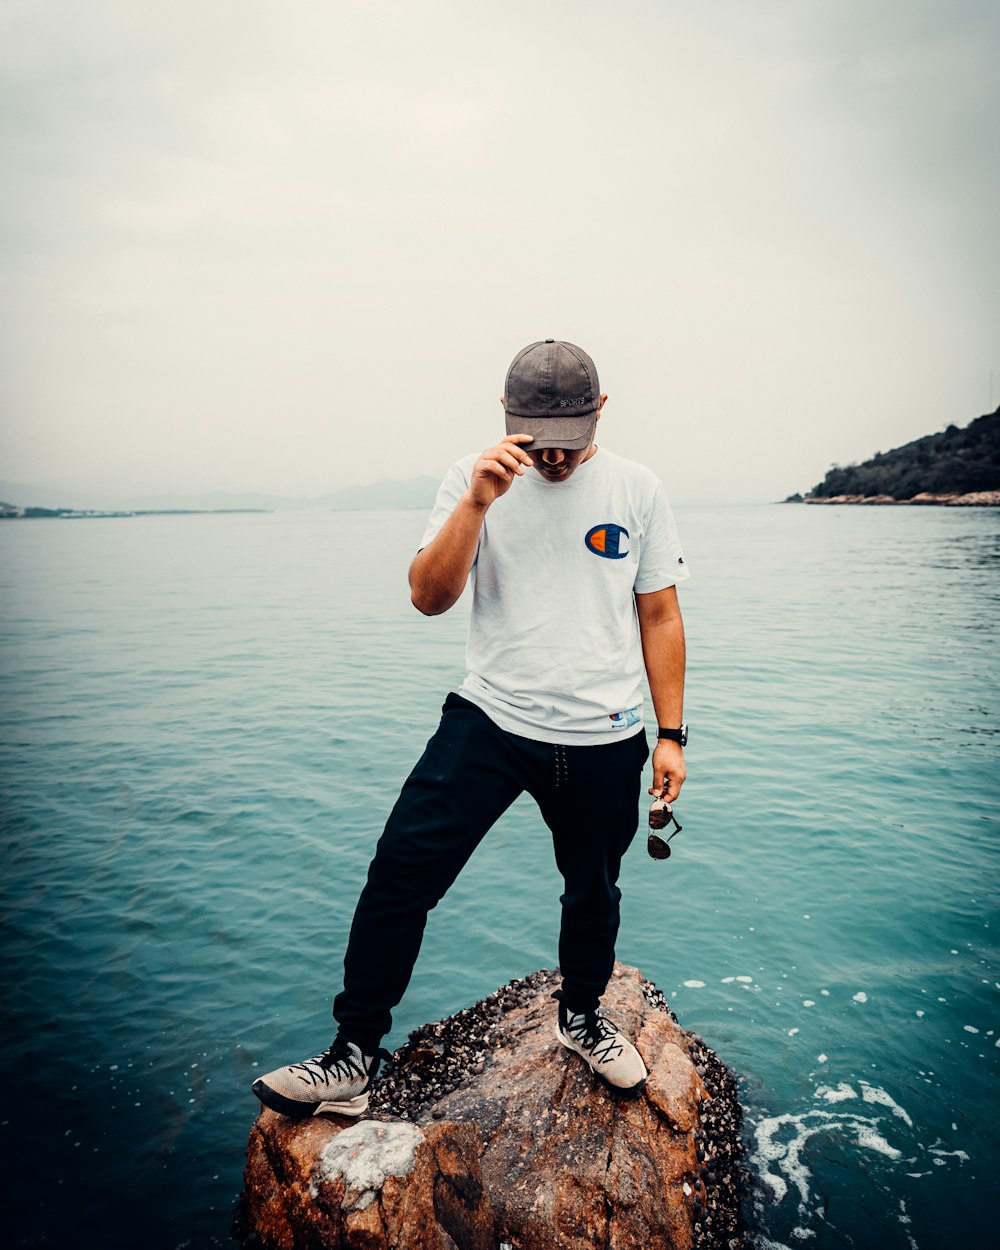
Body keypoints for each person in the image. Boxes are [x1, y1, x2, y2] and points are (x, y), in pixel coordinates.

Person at [252, 339, 689, 1118]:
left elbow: (659, 612)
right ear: (506, 417)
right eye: (538, 440)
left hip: (605, 734)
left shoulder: (637, 488)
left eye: (570, 442)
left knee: (593, 890)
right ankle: (354, 1057)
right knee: (398, 876)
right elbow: (428, 597)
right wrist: (478, 503)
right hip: (491, 718)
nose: (553, 458)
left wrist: (672, 735)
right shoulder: (471, 478)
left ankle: (581, 1017)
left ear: (601, 413)